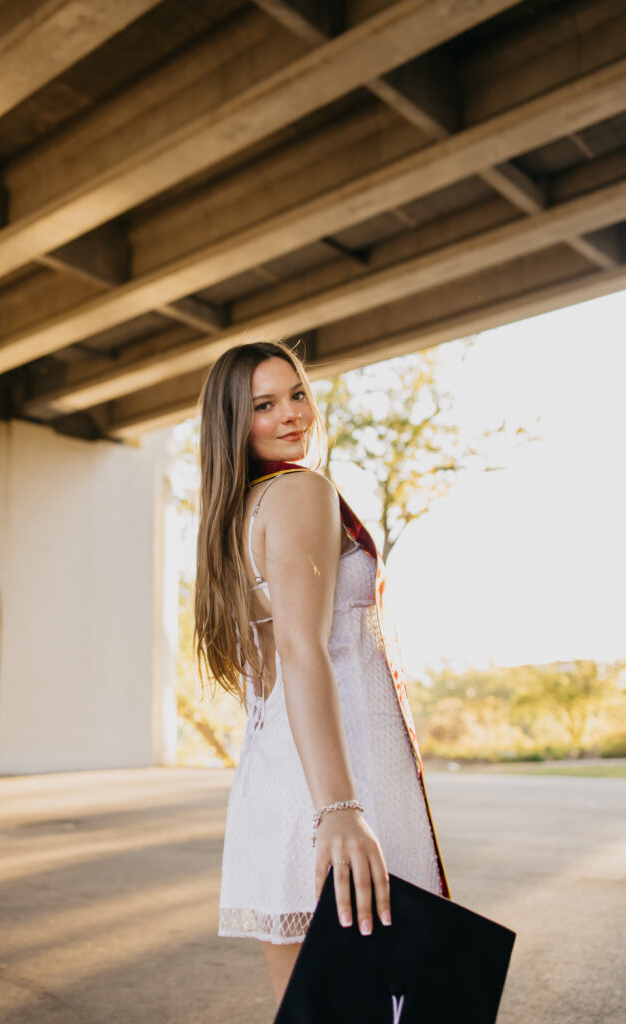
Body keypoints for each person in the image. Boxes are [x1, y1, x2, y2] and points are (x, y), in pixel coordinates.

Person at [194, 339, 448, 1009]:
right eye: (264, 405)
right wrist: (339, 811)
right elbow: (301, 649)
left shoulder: (235, 514)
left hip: (276, 785)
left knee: (310, 1010)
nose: (292, 414)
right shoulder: (301, 490)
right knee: (403, 1005)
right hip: (339, 782)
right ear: (233, 422)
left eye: (297, 394)